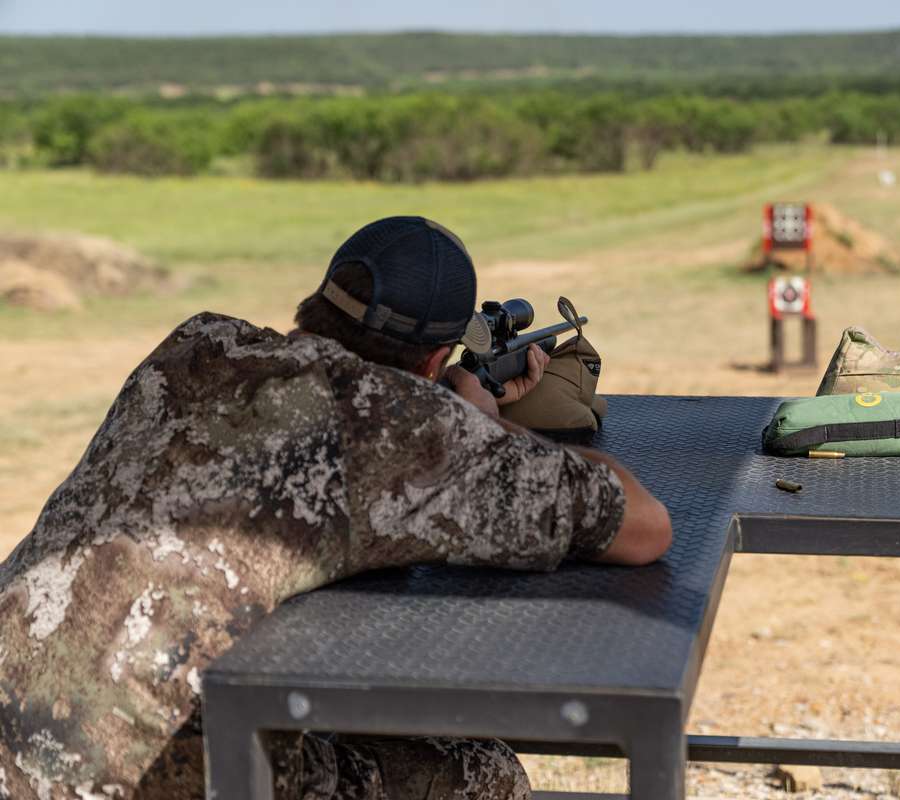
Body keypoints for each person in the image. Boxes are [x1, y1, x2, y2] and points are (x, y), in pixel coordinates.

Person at [0, 216, 672, 800]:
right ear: (439, 358)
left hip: (12, 723)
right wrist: (481, 425)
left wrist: (448, 408)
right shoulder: (404, 427)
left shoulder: (198, 344)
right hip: (128, 771)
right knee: (479, 774)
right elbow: (644, 528)